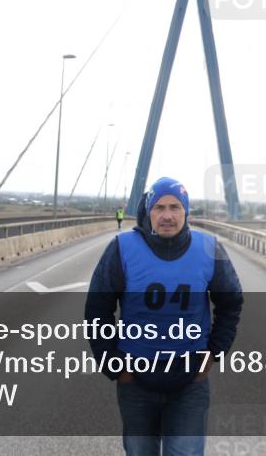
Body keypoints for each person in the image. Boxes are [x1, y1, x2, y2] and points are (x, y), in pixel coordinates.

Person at [85, 176, 243, 456]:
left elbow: (231, 303)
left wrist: (213, 355)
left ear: (186, 212)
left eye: (175, 207)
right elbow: (97, 311)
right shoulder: (122, 248)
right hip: (135, 382)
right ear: (148, 211)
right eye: (159, 208)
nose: (167, 215)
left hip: (189, 383)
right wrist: (116, 368)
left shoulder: (209, 249)